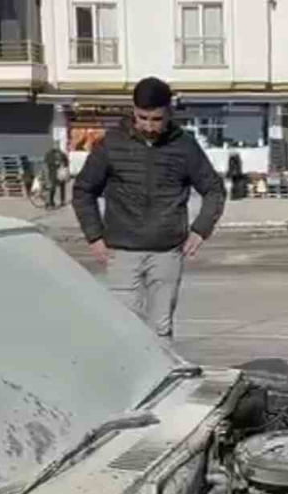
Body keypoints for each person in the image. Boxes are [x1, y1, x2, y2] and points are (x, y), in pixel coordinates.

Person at [72, 77, 226, 341]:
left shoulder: (184, 146)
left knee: (161, 327)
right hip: (121, 251)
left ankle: (163, 376)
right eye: (143, 118)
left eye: (156, 119)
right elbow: (83, 190)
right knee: (125, 326)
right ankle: (127, 381)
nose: (149, 126)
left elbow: (214, 190)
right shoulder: (111, 144)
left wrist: (200, 230)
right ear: (133, 111)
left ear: (169, 113)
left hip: (167, 252)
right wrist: (94, 236)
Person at [43, 144, 69, 208]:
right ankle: (50, 202)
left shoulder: (61, 154)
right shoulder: (50, 154)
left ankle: (58, 201)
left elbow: (66, 163)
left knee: (58, 187)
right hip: (53, 173)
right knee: (52, 188)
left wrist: (65, 170)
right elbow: (46, 165)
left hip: (58, 173)